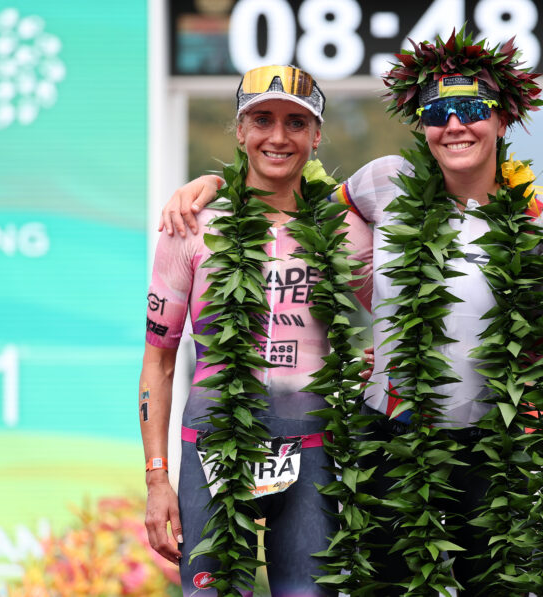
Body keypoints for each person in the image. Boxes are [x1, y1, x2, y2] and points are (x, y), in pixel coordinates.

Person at [157, 32, 543, 594]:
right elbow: (301, 202)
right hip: (391, 437)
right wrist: (213, 184)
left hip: (491, 448)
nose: (454, 125)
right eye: (437, 113)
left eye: (472, 110)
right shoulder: (384, 181)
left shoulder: (542, 217)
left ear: (503, 119)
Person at [140, 65, 372, 596]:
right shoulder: (191, 227)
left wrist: (379, 359)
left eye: (296, 123)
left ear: (316, 136)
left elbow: (401, 316)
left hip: (313, 450)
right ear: (240, 129)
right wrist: (156, 478)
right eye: (262, 119)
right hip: (212, 449)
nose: (278, 136)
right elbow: (159, 362)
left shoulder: (342, 229)